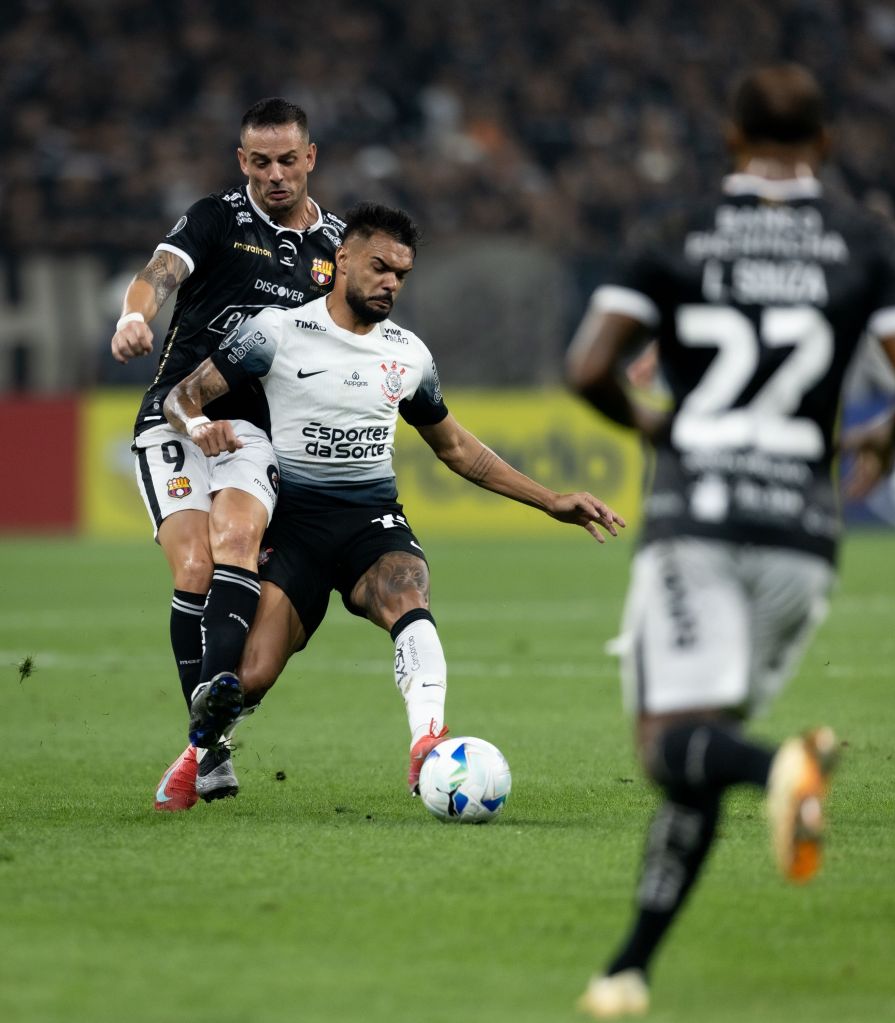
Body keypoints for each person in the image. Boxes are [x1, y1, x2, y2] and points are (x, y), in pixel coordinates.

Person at [565, 64, 895, 1018]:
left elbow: (587, 368)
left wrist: (653, 425)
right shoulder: (868, 241)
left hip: (700, 515)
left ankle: (785, 765)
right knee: (700, 745)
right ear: (822, 145)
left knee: (670, 746)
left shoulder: (674, 229)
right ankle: (628, 968)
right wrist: (878, 442)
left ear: (731, 140)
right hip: (804, 534)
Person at [162, 200, 625, 796]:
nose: (390, 284)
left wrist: (550, 499)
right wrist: (199, 427)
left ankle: (426, 743)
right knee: (249, 677)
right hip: (296, 528)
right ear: (343, 258)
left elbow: (457, 448)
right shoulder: (275, 331)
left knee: (406, 586)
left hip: (369, 522)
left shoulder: (408, 355)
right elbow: (183, 396)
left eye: (401, 275)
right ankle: (194, 758)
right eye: (379, 267)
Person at [111, 97, 345, 812]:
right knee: (194, 563)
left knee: (237, 540)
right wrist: (133, 314)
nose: (274, 174)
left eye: (287, 160)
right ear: (243, 162)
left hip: (251, 429)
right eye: (259, 161)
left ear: (310, 158)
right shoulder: (216, 218)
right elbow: (159, 272)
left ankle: (204, 737)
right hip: (176, 417)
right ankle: (209, 745)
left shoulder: (335, 245)